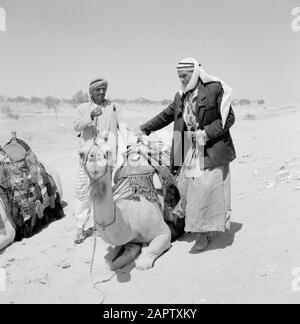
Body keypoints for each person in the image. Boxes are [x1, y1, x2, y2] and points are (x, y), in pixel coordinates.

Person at [135, 57, 236, 251]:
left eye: (185, 76)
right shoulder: (181, 96)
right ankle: (193, 222)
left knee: (203, 191)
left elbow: (228, 118)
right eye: (179, 76)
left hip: (212, 149)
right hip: (190, 148)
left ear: (196, 73)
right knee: (186, 187)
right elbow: (165, 116)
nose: (181, 79)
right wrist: (144, 128)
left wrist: (206, 133)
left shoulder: (215, 89)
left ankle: (204, 234)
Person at [73, 77, 119, 244]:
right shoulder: (82, 108)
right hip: (88, 161)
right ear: (91, 92)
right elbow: (76, 126)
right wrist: (90, 116)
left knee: (104, 192)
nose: (101, 92)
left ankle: (101, 225)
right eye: (97, 90)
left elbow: (121, 125)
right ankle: (80, 227)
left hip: (106, 159)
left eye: (103, 89)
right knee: (84, 193)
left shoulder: (112, 106)